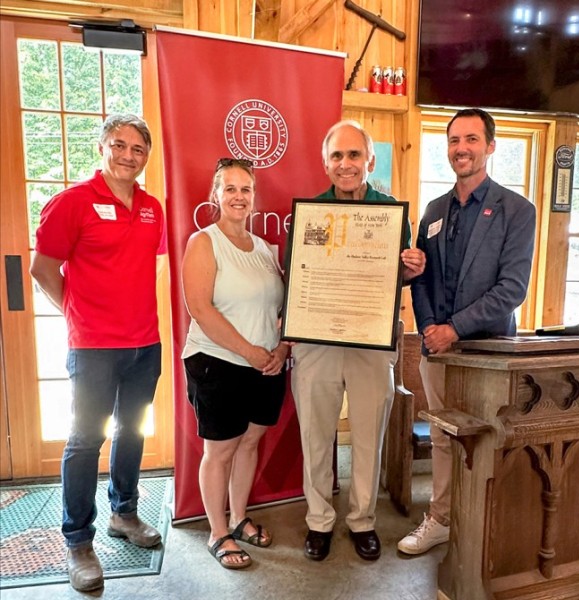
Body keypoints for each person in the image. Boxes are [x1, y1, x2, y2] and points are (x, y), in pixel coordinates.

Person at [30, 114, 166, 592]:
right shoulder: (72, 203)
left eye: (138, 149)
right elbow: (42, 268)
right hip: (93, 347)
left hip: (145, 343)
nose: (129, 155)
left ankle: (124, 514)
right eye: (119, 145)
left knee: (132, 431)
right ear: (102, 148)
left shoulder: (152, 208)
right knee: (86, 441)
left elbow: (136, 267)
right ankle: (78, 540)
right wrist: (75, 312)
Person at [397, 108, 536, 555]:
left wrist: (453, 329)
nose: (462, 148)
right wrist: (428, 331)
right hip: (437, 348)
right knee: (441, 436)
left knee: (487, 440)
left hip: (490, 351)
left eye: (472, 139)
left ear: (490, 147)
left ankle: (482, 528)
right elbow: (420, 277)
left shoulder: (518, 211)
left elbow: (511, 289)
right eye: (455, 140)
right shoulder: (434, 212)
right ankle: (439, 518)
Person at [291, 120, 426, 562]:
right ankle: (319, 521)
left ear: (369, 160)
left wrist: (410, 268)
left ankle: (363, 521)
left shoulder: (391, 214)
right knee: (315, 433)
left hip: (371, 340)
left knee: (369, 434)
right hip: (319, 341)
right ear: (325, 162)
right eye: (336, 156)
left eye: (354, 155)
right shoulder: (309, 214)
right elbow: (299, 279)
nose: (345, 164)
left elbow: (394, 280)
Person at [181, 157, 288, 570]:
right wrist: (250, 352)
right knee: (220, 450)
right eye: (230, 189)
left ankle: (239, 517)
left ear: (254, 198)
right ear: (216, 195)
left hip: (266, 364)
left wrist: (280, 349)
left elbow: (279, 308)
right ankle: (218, 531)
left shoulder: (262, 248)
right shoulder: (203, 242)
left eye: (245, 189)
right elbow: (201, 309)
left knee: (249, 443)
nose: (238, 197)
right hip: (218, 361)